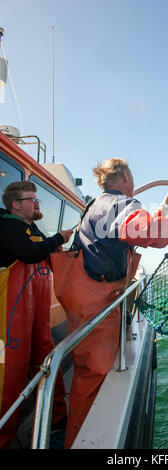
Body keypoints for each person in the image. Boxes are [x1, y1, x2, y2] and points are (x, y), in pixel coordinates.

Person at [59, 158, 168, 448]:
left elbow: (132, 226)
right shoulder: (119, 203)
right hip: (97, 301)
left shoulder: (100, 204)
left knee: (85, 368)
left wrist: (165, 209)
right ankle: (79, 440)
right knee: (93, 375)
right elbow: (141, 231)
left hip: (84, 296)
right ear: (127, 177)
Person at [0, 180, 73, 449]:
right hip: (10, 318)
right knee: (11, 374)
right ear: (16, 205)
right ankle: (4, 437)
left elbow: (44, 251)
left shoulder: (31, 228)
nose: (37, 203)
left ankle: (56, 419)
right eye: (32, 199)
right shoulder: (8, 226)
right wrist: (58, 239)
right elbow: (29, 253)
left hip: (37, 315)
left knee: (46, 359)